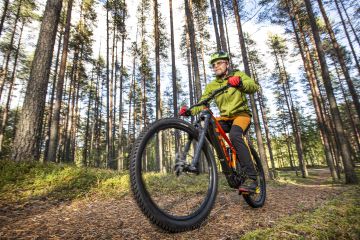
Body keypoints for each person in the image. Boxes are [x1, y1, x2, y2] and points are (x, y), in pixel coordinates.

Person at [179, 51, 260, 193]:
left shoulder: (238, 75)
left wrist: (239, 83)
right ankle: (225, 156)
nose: (216, 66)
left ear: (227, 64)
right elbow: (203, 102)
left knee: (235, 136)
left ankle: (252, 178)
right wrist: (190, 111)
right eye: (214, 65)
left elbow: (253, 86)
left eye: (219, 63)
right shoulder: (212, 85)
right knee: (208, 126)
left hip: (241, 115)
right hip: (225, 118)